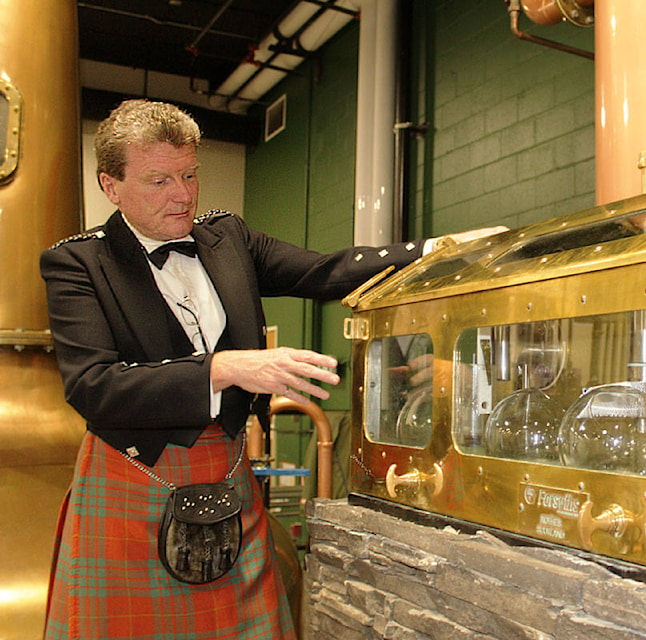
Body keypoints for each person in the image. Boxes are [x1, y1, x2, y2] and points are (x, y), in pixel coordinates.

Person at [40, 99, 503, 639]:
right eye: (159, 180)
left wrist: (436, 251)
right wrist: (223, 368)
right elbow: (94, 388)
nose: (184, 194)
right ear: (110, 185)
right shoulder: (77, 263)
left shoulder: (226, 237)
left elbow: (324, 272)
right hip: (133, 477)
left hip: (228, 471)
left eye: (190, 174)